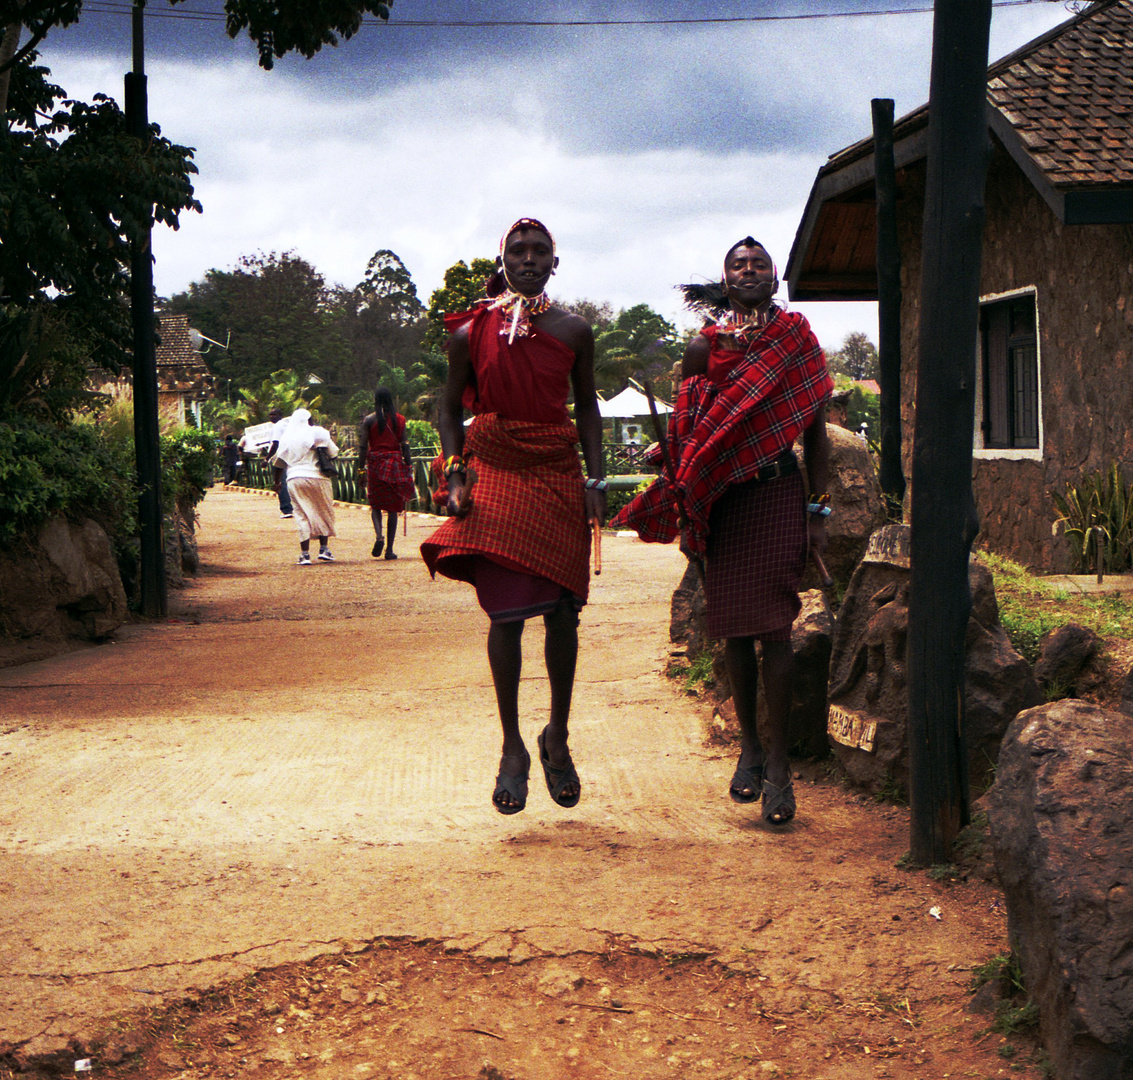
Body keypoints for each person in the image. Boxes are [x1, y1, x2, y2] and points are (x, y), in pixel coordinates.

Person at [611, 238, 833, 825]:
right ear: (726, 278)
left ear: (775, 274)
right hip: (723, 503)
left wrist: (819, 508)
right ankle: (750, 749)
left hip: (780, 490)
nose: (751, 271)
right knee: (735, 627)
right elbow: (687, 430)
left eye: (760, 263)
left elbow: (813, 432)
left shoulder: (797, 340)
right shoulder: (702, 347)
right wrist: (686, 495)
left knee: (777, 628)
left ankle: (781, 767)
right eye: (740, 264)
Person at [420, 218, 606, 816]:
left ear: (556, 260)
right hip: (494, 465)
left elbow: (588, 413)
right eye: (517, 250)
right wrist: (454, 473)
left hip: (555, 470)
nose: (528, 259)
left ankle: (557, 736)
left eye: (539, 251)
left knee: (561, 613)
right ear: (501, 259)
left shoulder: (575, 330)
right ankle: (511, 747)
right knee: (505, 613)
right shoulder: (470, 333)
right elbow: (448, 410)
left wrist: (595, 479)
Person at [275, 408, 339, 565]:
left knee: (301, 514)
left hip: (295, 479)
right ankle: (324, 549)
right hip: (319, 478)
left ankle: (304, 554)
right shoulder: (317, 433)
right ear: (308, 420)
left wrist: (277, 483)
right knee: (323, 510)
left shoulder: (287, 438)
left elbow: (279, 464)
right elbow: (333, 452)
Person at [358, 388, 415, 559]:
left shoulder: (369, 420)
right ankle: (389, 550)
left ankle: (379, 536)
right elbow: (405, 445)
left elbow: (362, 446)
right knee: (393, 508)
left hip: (375, 464)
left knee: (375, 504)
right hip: (395, 464)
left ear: (375, 400)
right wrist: (409, 464)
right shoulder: (400, 420)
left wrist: (361, 469)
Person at [264, 407, 294, 519]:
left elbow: (275, 444)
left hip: (280, 457)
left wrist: (266, 459)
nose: (272, 417)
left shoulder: (278, 426)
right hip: (291, 456)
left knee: (281, 482)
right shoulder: (288, 426)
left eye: (274, 415)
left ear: (280, 416)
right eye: (270, 415)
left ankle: (286, 509)